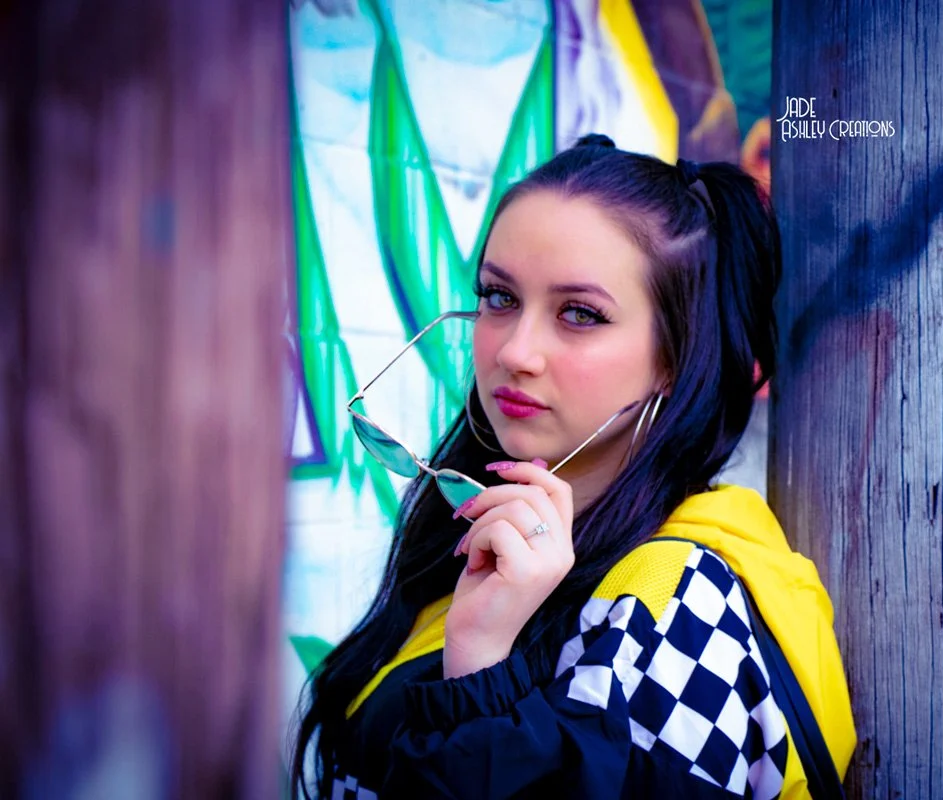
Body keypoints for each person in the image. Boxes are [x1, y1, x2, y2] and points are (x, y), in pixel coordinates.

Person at [291, 134, 856, 799]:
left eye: (580, 314)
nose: (517, 351)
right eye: (500, 298)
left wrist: (481, 677)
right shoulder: (482, 542)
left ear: (673, 359)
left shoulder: (675, 601)